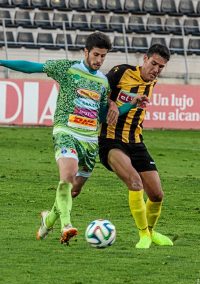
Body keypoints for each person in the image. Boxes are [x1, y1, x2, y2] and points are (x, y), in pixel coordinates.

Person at [0, 32, 146, 245]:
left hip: (89, 141)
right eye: (96, 54)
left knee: (74, 190)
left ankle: (48, 219)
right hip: (66, 131)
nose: (99, 60)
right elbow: (32, 66)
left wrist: (130, 104)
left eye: (103, 56)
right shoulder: (67, 69)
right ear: (86, 52)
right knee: (67, 177)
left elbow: (104, 115)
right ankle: (66, 226)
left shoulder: (103, 82)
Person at [98, 44, 174, 249]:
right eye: (154, 63)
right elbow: (98, 89)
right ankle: (143, 235)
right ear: (144, 58)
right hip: (111, 140)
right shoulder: (121, 72)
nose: (156, 69)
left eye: (161, 67)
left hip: (136, 141)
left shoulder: (152, 81)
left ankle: (151, 230)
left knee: (157, 194)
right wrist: (112, 103)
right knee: (135, 182)